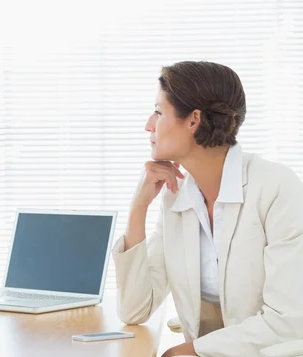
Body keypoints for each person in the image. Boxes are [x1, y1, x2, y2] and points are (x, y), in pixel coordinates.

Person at [113, 61, 303, 357]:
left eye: (159, 112)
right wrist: (138, 209)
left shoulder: (276, 187)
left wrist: (188, 351)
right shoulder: (176, 197)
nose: (148, 124)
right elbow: (135, 309)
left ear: (193, 120)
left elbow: (289, 321)